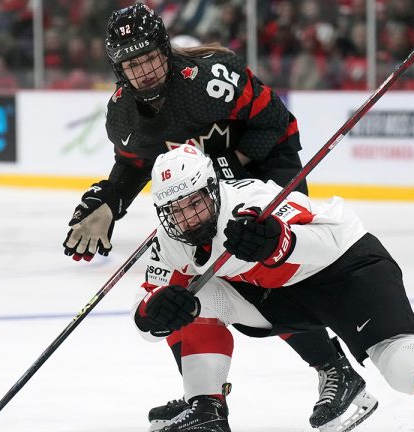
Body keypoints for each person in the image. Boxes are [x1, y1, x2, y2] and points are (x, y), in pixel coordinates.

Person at [61, 3, 371, 431]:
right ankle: (203, 398)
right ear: (118, 70)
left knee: (264, 270)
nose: (145, 70)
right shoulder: (122, 114)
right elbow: (135, 164)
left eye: (150, 56)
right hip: (205, 187)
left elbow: (278, 124)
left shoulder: (211, 79)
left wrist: (231, 166)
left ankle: (337, 370)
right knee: (176, 280)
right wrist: (110, 202)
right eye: (132, 63)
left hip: (265, 169)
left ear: (164, 50)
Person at [133, 145, 414, 432]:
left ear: (212, 189)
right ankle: (207, 409)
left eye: (194, 204)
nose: (187, 218)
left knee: (403, 365)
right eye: (175, 210)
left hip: (348, 271)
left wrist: (277, 242)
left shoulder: (250, 201)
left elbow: (322, 242)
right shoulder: (170, 241)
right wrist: (154, 313)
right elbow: (145, 308)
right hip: (284, 296)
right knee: (190, 300)